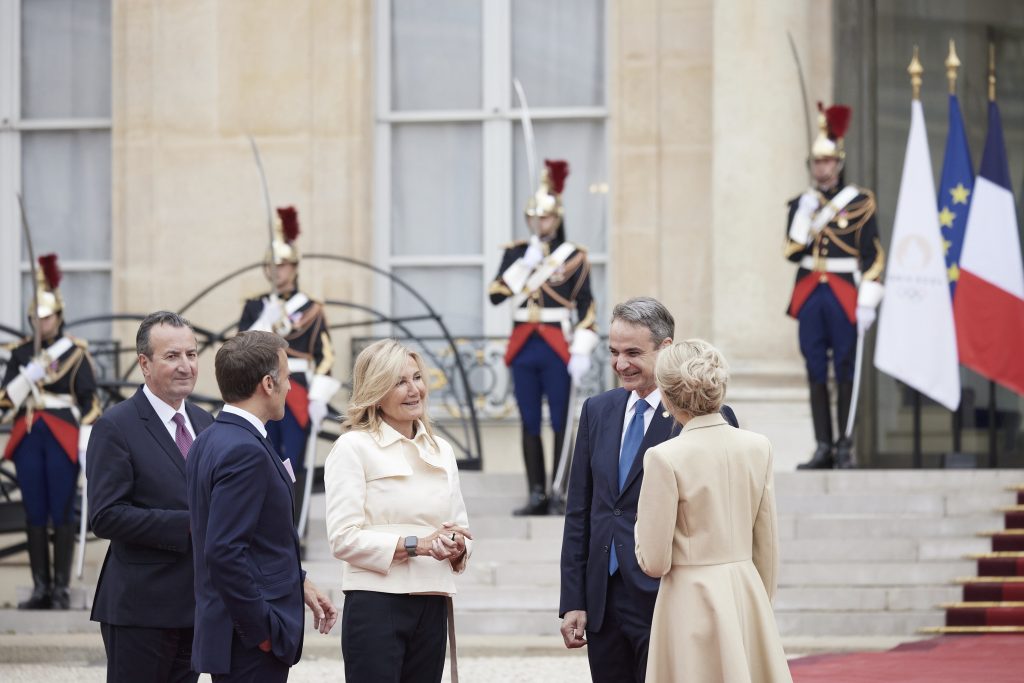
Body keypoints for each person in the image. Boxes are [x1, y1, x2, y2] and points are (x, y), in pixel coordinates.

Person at [558, 297, 738, 683]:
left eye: (633, 353)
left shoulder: (703, 417)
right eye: (614, 352)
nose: (621, 364)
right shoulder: (597, 410)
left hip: (668, 595)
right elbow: (581, 511)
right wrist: (573, 600)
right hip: (603, 600)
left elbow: (719, 516)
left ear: (665, 348)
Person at [635, 339, 792, 682]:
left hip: (690, 600)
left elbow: (654, 561)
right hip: (746, 592)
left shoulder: (664, 457)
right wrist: (758, 603)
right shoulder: (758, 446)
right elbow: (766, 542)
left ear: (667, 395)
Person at [187, 331, 336, 682]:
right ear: (268, 384)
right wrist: (263, 632)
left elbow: (258, 540)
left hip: (236, 638)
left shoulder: (210, 438)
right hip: (248, 645)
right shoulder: (244, 450)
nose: (290, 386)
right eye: (286, 378)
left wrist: (299, 582)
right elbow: (223, 551)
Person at [324, 339, 472, 683]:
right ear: (375, 391)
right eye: (399, 382)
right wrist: (417, 545)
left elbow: (461, 528)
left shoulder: (442, 449)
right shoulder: (352, 447)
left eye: (417, 377)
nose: (414, 390)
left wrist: (456, 547)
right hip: (376, 603)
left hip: (433, 600)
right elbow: (342, 539)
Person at [86, 311, 214, 682]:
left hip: (195, 610)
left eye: (191, 354)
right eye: (172, 356)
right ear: (144, 364)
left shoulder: (206, 423)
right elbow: (106, 515)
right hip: (140, 611)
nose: (185, 366)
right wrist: (187, 525)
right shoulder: (115, 426)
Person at [488, 159, 599, 515]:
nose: (539, 223)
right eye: (533, 217)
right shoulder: (516, 253)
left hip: (557, 346)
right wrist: (525, 264)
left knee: (563, 421)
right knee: (530, 419)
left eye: (546, 217)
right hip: (523, 345)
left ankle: (561, 492)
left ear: (557, 218)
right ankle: (536, 493)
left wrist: (582, 348)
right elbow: (495, 295)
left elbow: (586, 307)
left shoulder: (574, 257)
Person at [784, 103, 884, 469]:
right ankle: (823, 445)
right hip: (811, 292)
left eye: (826, 161)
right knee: (814, 366)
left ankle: (845, 445)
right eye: (816, 162)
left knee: (845, 367)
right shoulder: (802, 203)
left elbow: (873, 254)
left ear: (838, 164)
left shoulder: (860, 202)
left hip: (844, 292)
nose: (821, 168)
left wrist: (869, 296)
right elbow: (792, 252)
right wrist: (804, 216)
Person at [1, 254, 99, 611]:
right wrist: (27, 377)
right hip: (29, 434)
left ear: (58, 316)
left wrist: (84, 434)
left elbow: (90, 401)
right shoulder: (20, 354)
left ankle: (60, 588)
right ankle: (40, 587)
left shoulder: (74, 352)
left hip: (61, 435)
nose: (41, 323)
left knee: (62, 510)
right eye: (36, 318)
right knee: (34, 510)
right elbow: (5, 399)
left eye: (47, 317)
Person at [237, 206, 339, 523]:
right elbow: (239, 350)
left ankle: (292, 530)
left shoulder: (311, 308)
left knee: (292, 460)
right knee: (261, 458)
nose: (276, 271)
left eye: (282, 265)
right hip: (260, 388)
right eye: (272, 265)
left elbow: (325, 355)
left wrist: (319, 397)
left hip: (297, 391)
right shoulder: (255, 306)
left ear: (294, 268)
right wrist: (262, 323)